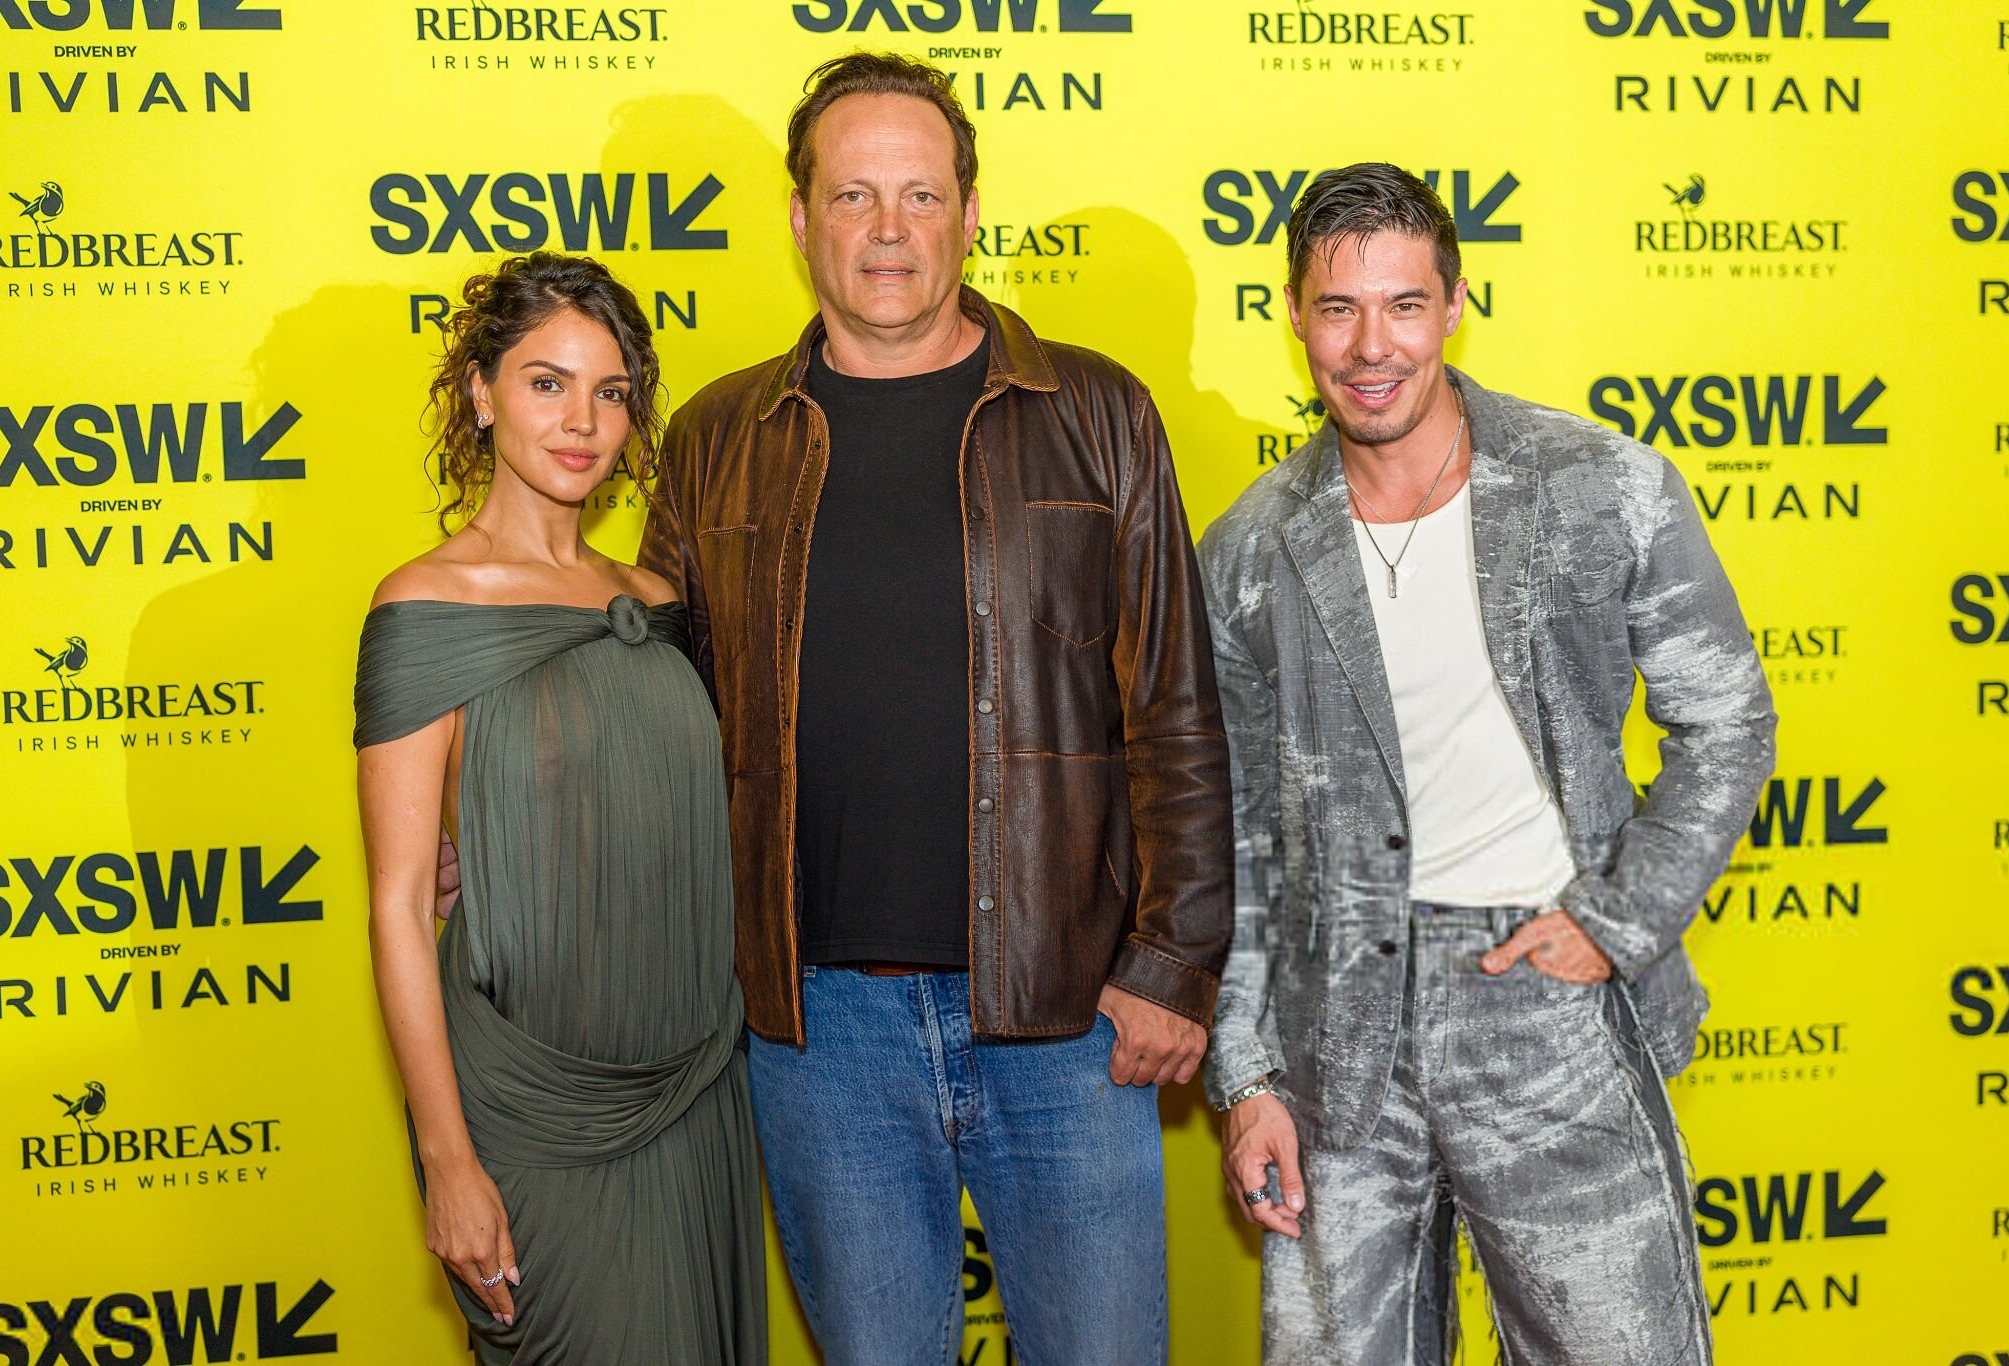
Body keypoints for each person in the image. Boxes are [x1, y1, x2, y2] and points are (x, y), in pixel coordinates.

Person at [637, 53, 1233, 1365]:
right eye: (853, 195)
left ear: (968, 211)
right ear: (800, 218)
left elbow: (1176, 709)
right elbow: (653, 709)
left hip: (1068, 1013)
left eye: (918, 194)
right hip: (819, 1031)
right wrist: (497, 824)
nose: (888, 230)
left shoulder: (1096, 411)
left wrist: (1172, 964)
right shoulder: (716, 437)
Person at [1199, 163, 1777, 1364]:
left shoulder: (1598, 484)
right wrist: (1245, 1074)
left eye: (1402, 304)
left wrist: (1615, 919)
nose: (1371, 346)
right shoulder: (1248, 551)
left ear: (1454, 304)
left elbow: (1726, 719)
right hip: (1332, 1029)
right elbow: (1237, 833)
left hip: (1542, 1002)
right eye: (1338, 308)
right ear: (1293, 315)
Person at [355, 252, 764, 1365]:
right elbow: (400, 906)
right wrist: (448, 1160)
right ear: (481, 393)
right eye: (546, 383)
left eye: (610, 391)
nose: (582, 421)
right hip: (533, 1110)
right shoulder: (423, 606)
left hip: (697, 1081)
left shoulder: (656, 602)